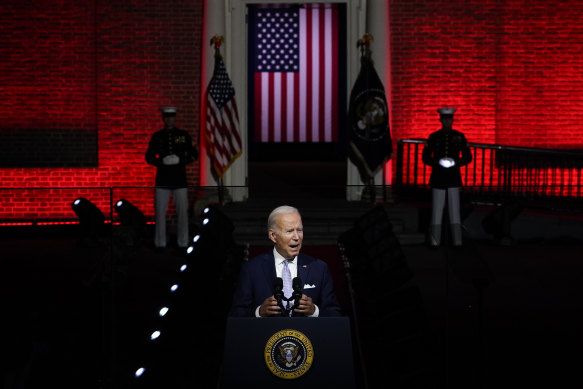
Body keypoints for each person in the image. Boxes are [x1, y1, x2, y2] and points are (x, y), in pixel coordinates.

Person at [229, 205, 342, 317]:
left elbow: (335, 314)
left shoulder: (319, 268)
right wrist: (259, 312)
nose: (297, 237)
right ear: (273, 236)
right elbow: (236, 315)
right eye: (289, 231)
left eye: (299, 230)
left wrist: (314, 311)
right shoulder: (252, 269)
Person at [145, 106, 199, 250]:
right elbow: (148, 157)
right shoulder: (157, 137)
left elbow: (194, 154)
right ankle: (160, 243)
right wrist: (160, 162)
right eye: (167, 117)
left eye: (171, 117)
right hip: (162, 179)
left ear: (175, 118)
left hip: (179, 179)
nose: (169, 120)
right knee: (160, 213)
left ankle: (183, 242)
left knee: (182, 212)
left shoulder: (183, 135)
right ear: (163, 119)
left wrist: (181, 160)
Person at [422, 107, 472, 247]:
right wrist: (437, 162)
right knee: (437, 211)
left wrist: (456, 162)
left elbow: (468, 157)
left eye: (449, 119)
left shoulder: (459, 136)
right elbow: (425, 157)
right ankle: (435, 241)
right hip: (438, 176)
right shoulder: (433, 137)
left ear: (452, 120)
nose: (447, 122)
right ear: (441, 120)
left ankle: (457, 242)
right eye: (445, 119)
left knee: (455, 212)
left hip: (453, 176)